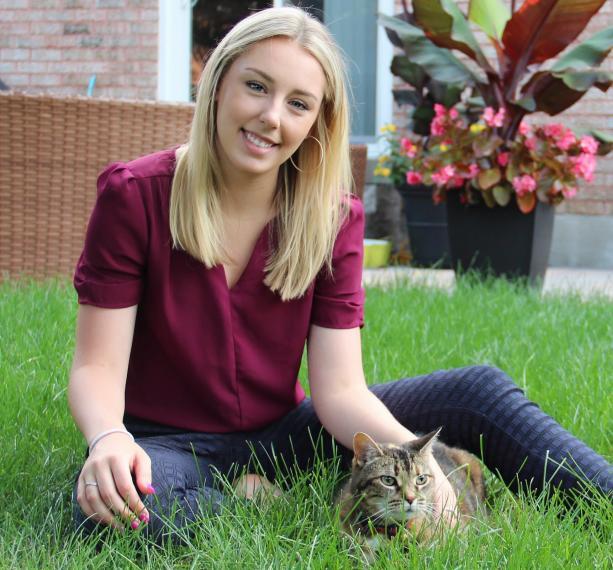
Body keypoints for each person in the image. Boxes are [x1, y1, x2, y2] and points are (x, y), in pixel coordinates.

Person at [69, 6, 611, 539]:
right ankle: (256, 502)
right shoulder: (135, 196)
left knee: (479, 391)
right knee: (118, 511)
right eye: (256, 87)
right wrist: (108, 438)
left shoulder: (330, 218)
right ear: (216, 85)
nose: (272, 117)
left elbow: (340, 391)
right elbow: (97, 366)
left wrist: (428, 469)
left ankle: (604, 499)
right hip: (164, 443)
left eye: (298, 103)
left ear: (316, 124)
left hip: (285, 434)